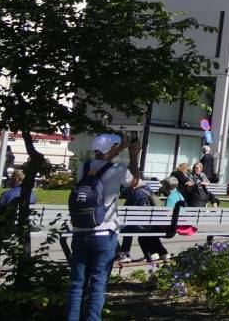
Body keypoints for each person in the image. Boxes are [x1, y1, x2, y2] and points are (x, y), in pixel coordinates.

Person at [66, 133, 134, 321]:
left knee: (77, 284)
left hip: (81, 230)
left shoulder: (84, 167)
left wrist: (118, 148)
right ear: (111, 149)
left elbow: (103, 159)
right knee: (98, 283)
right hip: (105, 232)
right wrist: (133, 154)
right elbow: (134, 182)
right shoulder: (117, 170)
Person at [116, 175, 167, 263]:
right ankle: (155, 253)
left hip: (140, 226)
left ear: (134, 185)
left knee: (117, 229)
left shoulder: (136, 193)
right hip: (151, 225)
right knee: (130, 226)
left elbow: (127, 211)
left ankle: (124, 254)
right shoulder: (150, 191)